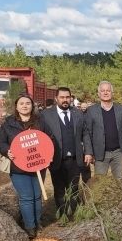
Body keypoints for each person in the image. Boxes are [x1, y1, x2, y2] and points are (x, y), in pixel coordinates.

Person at [0, 94, 44, 238]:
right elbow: (0, 142)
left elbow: (49, 139)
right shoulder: (8, 123)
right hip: (18, 167)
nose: (25, 106)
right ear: (16, 107)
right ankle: (30, 226)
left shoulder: (40, 122)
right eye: (21, 103)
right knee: (27, 197)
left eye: (28, 103)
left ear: (32, 106)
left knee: (37, 196)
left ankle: (38, 222)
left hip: (37, 165)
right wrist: (6, 151)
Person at [39, 87, 87, 218]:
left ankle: (74, 214)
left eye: (67, 97)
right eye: (62, 97)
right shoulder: (46, 115)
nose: (65, 100)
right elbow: (41, 137)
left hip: (75, 159)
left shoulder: (78, 113)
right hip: (56, 159)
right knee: (59, 189)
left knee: (74, 188)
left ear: (71, 98)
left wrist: (87, 152)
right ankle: (62, 215)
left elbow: (85, 134)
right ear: (56, 99)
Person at [83, 81, 122, 179]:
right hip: (100, 153)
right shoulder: (92, 110)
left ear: (112, 93)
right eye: (103, 91)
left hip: (118, 152)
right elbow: (87, 133)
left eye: (108, 90)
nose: (105, 93)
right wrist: (88, 152)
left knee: (119, 182)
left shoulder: (121, 109)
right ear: (99, 94)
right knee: (100, 183)